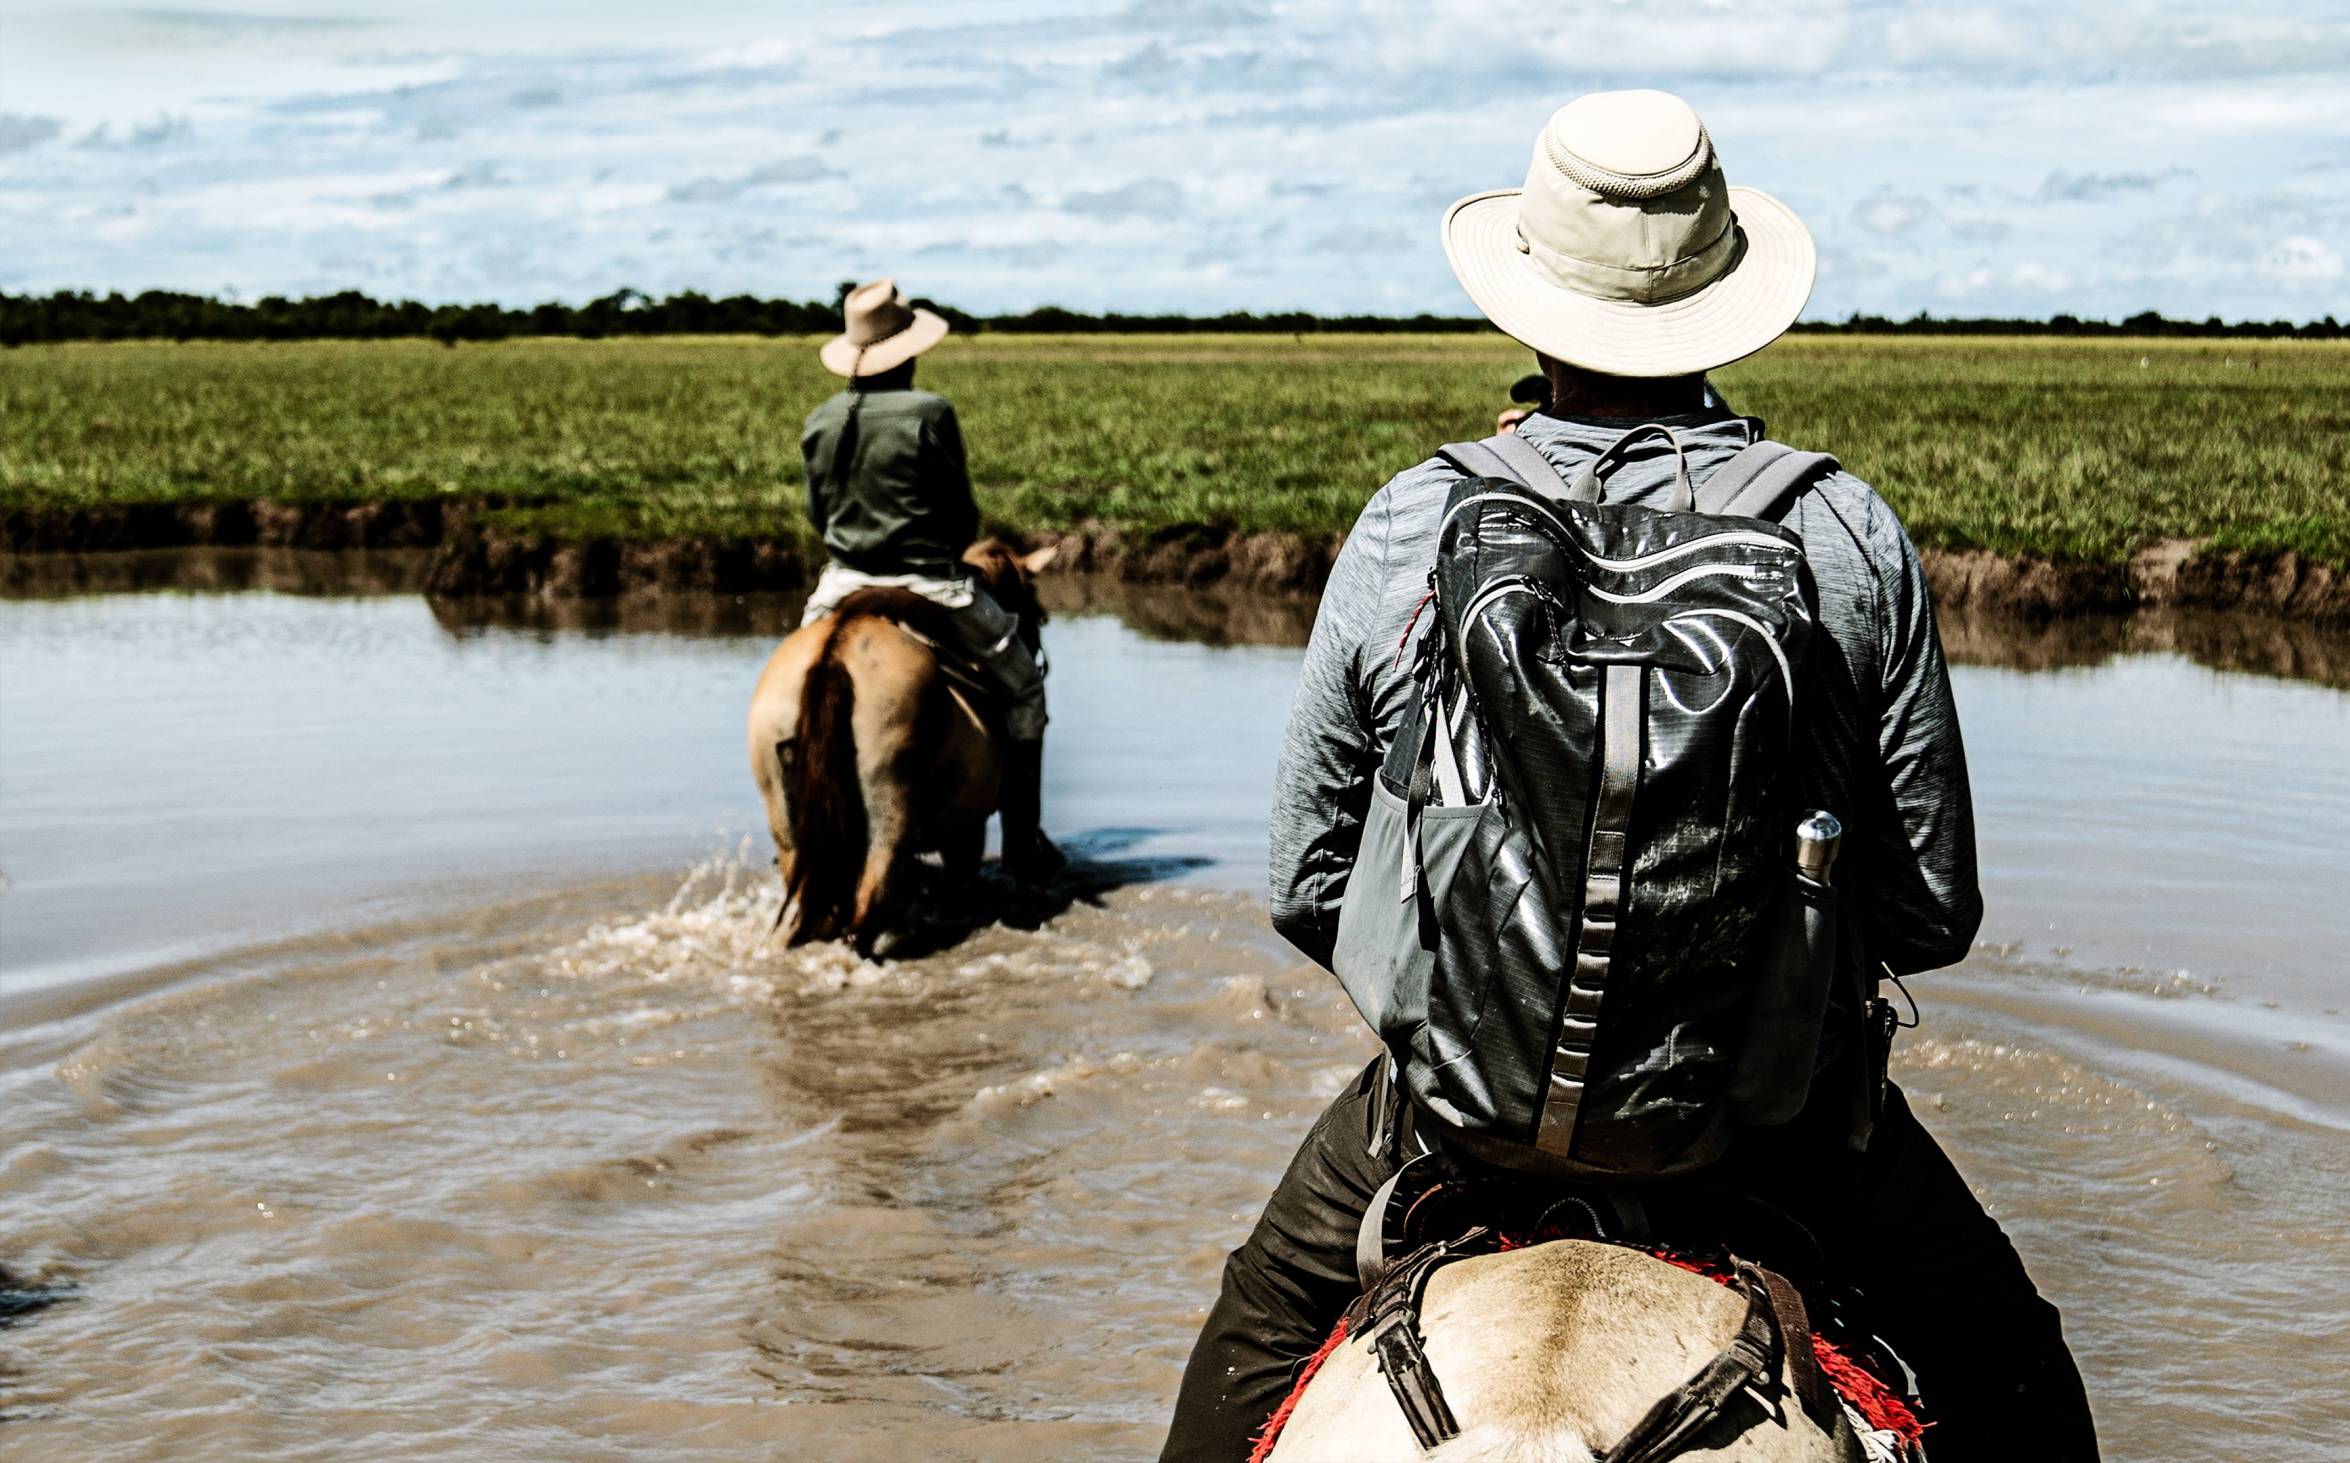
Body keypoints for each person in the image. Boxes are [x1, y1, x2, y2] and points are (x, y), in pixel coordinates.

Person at [1162, 92, 2099, 1460]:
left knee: (1244, 1349)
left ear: (1528, 300)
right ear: (1728, 295)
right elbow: (1931, 911)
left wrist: (1470, 998)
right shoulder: (1842, 526)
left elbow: (1306, 883)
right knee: (2018, 1372)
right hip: (1775, 1132)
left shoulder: (1413, 518)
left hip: (1450, 1128)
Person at [799, 278, 1058, 883]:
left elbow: (818, 515)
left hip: (838, 586)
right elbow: (960, 515)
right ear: (908, 351)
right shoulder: (929, 412)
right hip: (932, 586)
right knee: (1025, 694)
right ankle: (1022, 848)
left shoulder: (820, 420)